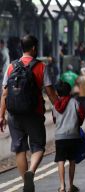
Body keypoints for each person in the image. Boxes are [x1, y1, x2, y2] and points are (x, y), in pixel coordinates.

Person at [0, 35, 58, 191]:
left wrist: (1, 116)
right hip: (34, 112)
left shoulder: (11, 67)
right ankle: (31, 171)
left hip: (14, 114)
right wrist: (60, 109)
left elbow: (5, 94)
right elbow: (50, 92)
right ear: (33, 48)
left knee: (19, 148)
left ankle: (25, 183)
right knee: (38, 146)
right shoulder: (41, 67)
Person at [53, 81, 85, 192]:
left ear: (57, 93)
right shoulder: (75, 102)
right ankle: (71, 186)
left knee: (60, 160)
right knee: (72, 160)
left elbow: (54, 120)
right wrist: (77, 124)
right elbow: (81, 114)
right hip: (73, 136)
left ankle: (62, 186)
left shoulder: (55, 105)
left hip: (60, 137)